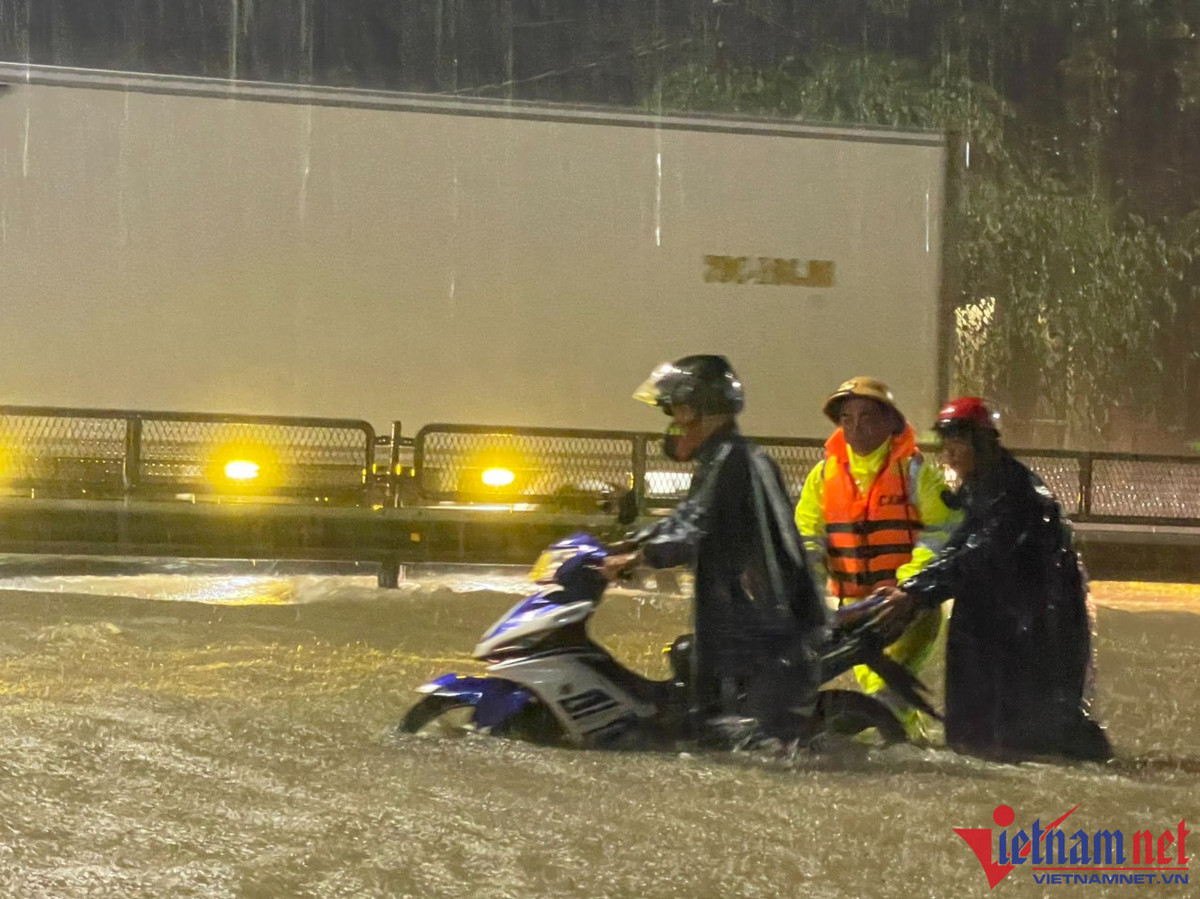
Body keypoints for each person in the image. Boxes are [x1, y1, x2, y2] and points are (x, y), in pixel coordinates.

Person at [870, 397, 1113, 762]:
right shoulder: (985, 486)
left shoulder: (1015, 494)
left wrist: (916, 593)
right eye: (946, 444)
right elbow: (960, 548)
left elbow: (978, 555)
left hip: (1030, 626)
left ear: (982, 443)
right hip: (999, 620)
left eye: (958, 443)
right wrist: (913, 588)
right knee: (981, 731)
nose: (950, 454)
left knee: (1028, 731)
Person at [604, 355, 828, 745]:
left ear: (702, 409)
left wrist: (642, 556)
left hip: (767, 627)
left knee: (748, 746)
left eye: (678, 412)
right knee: (691, 686)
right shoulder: (721, 459)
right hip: (741, 618)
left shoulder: (737, 462)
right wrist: (632, 542)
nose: (673, 424)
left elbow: (698, 527)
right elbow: (688, 516)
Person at [794, 377, 959, 741]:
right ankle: (913, 749)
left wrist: (909, 585)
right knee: (889, 704)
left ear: (890, 423)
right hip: (852, 613)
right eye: (847, 418)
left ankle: (882, 749)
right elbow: (807, 537)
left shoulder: (915, 473)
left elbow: (943, 531)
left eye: (867, 417)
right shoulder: (822, 476)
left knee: (887, 699)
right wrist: (806, 589)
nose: (856, 427)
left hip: (907, 609)